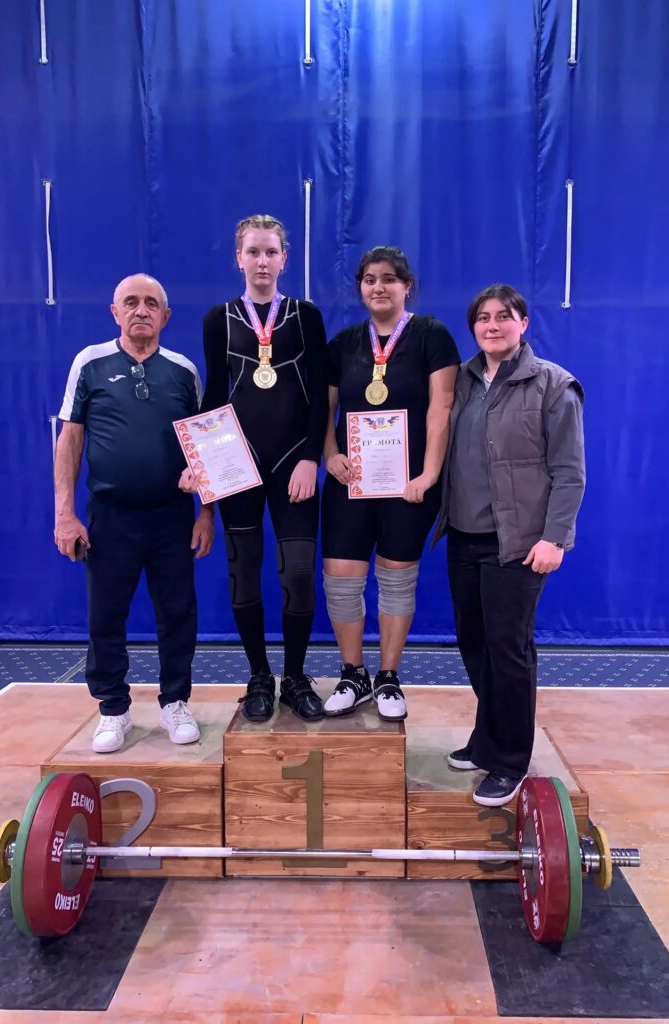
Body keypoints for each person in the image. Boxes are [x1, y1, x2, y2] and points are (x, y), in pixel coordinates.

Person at [433, 283, 585, 806]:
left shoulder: (553, 385)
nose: (492, 325)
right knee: (475, 644)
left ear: (523, 323)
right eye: (483, 318)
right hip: (463, 536)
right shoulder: (463, 380)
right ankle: (487, 738)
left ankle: (510, 760)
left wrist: (554, 538)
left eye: (503, 316)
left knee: (508, 649)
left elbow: (570, 472)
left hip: (518, 544)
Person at [54, 273, 214, 754]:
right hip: (110, 516)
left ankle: (175, 702)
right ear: (114, 312)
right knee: (105, 615)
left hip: (172, 516)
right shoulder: (89, 363)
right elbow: (70, 440)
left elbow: (204, 446)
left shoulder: (184, 371)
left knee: (178, 613)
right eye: (130, 302)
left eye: (151, 303)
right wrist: (65, 513)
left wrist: (206, 513)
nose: (140, 310)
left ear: (166, 316)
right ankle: (112, 708)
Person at [183, 214, 328, 723]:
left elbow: (320, 398)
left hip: (294, 463)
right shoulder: (218, 319)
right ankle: (259, 675)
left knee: (300, 573)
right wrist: (203, 466)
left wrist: (311, 458)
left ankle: (295, 676)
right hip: (238, 465)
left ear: (284, 259)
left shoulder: (305, 315)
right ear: (238, 259)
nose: (262, 261)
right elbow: (214, 396)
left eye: (270, 252)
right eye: (253, 252)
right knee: (243, 571)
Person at [321, 246, 459, 721]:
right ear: (360, 287)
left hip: (409, 486)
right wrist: (331, 454)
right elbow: (325, 410)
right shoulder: (343, 343)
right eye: (369, 279)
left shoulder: (431, 336)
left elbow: (442, 407)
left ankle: (388, 677)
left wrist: (430, 473)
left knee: (396, 580)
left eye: (388, 278)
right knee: (341, 581)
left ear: (406, 286)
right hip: (351, 483)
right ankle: (353, 673)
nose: (378, 287)